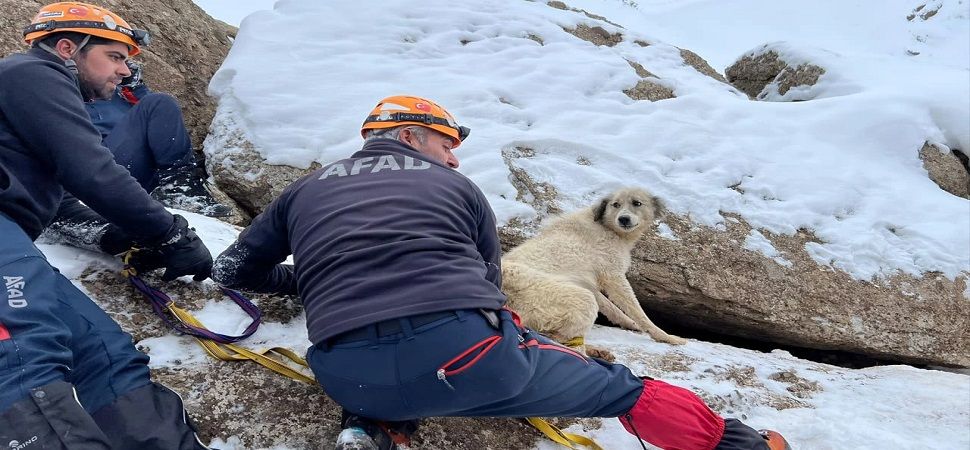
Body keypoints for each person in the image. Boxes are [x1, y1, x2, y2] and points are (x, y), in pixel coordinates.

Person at [212, 95, 792, 450]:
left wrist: (310, 282)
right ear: (410, 136)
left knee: (382, 371)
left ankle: (374, 423)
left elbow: (232, 269)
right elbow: (489, 288)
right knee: (624, 390)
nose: (455, 156)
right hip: (469, 356)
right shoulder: (456, 188)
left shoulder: (303, 190)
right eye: (447, 143)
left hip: (343, 371)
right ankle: (740, 445)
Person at [0, 2, 215, 448]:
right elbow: (92, 171)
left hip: (11, 239)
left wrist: (118, 236)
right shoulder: (31, 72)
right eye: (114, 56)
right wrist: (170, 232)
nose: (124, 70)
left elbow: (61, 206)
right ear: (67, 48)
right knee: (22, 352)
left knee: (104, 351)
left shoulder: (32, 105)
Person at [41, 54, 232, 259]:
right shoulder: (58, 91)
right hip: (96, 166)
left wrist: (135, 87)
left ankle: (180, 187)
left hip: (134, 171)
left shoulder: (117, 91)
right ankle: (178, 190)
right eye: (114, 59)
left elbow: (158, 117)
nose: (122, 69)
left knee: (160, 103)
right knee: (159, 102)